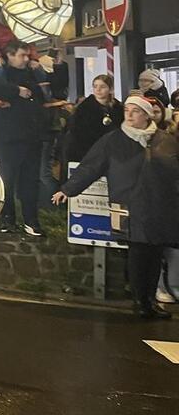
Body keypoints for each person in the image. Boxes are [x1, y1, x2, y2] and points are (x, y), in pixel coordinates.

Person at [54, 95, 179, 319]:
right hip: (129, 205)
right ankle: (140, 301)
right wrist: (67, 189)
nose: (129, 115)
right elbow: (90, 167)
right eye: (127, 110)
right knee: (138, 254)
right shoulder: (113, 140)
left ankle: (149, 301)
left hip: (160, 206)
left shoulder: (165, 140)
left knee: (154, 254)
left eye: (136, 111)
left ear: (147, 115)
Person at [0, 40, 48, 236]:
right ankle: (7, 218)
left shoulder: (31, 72)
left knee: (30, 181)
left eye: (27, 56)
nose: (26, 59)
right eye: (21, 55)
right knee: (6, 180)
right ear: (9, 55)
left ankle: (31, 220)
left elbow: (42, 93)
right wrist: (16, 91)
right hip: (7, 138)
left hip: (31, 137)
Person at [65, 74, 123, 167]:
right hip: (86, 152)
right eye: (95, 86)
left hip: (111, 152)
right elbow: (78, 132)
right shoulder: (84, 108)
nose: (98, 89)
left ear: (110, 89)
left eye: (102, 86)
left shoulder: (118, 107)